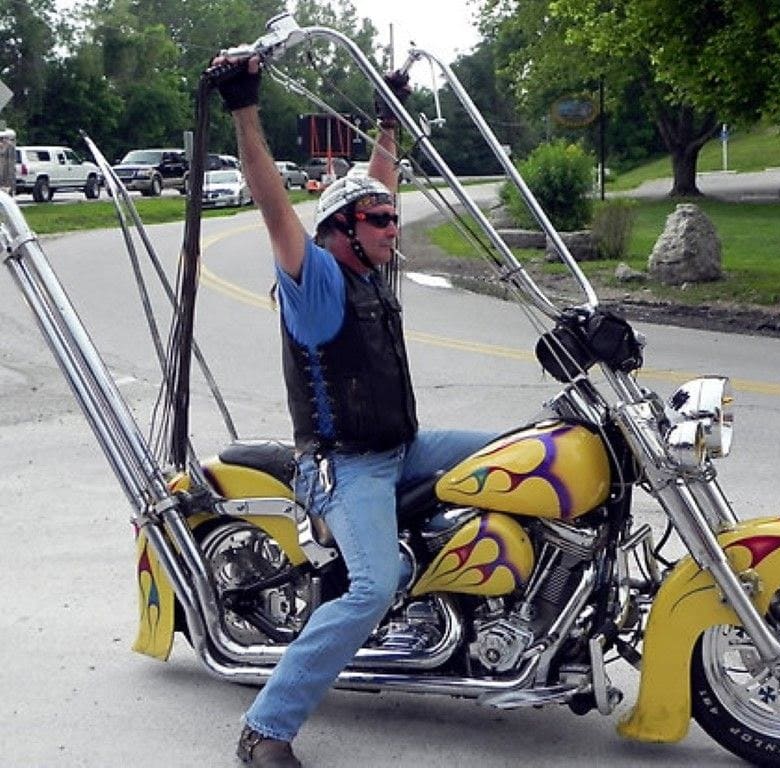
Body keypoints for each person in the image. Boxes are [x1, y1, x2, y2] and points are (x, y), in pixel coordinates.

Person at [210, 54, 495, 768]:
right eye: (380, 220)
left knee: (525, 454)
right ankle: (266, 728)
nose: (394, 227)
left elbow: (380, 182)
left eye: (392, 218)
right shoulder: (317, 283)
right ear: (342, 229)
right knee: (373, 585)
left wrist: (387, 116)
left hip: (405, 445)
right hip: (343, 466)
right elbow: (274, 203)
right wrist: (245, 109)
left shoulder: (372, 262)